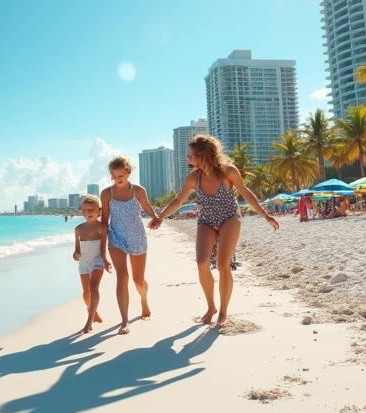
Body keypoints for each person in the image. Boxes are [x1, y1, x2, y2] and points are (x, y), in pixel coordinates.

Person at [150, 134, 278, 329]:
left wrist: (265, 215)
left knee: (222, 265)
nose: (188, 159)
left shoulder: (228, 172)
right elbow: (178, 200)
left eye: (191, 155)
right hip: (207, 221)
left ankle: (223, 312)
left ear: (203, 155)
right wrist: (160, 217)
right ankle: (211, 307)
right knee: (202, 263)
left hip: (229, 219)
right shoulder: (194, 177)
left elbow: (246, 193)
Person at [100, 155, 159, 335]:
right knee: (122, 277)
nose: (118, 177)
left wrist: (156, 218)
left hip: (137, 237)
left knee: (138, 280)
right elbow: (104, 221)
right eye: (115, 175)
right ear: (111, 175)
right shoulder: (107, 194)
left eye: (121, 174)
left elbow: (148, 208)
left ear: (128, 173)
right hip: (116, 238)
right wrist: (102, 251)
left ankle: (144, 300)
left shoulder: (138, 191)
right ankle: (124, 320)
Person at [72, 195, 112, 334]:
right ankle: (92, 311)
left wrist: (105, 261)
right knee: (86, 292)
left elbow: (103, 246)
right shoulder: (78, 229)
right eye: (85, 210)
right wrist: (76, 254)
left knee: (93, 287)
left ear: (99, 211)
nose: (88, 212)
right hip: (84, 261)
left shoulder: (102, 227)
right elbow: (77, 249)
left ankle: (89, 322)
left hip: (97, 259)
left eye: (91, 210)